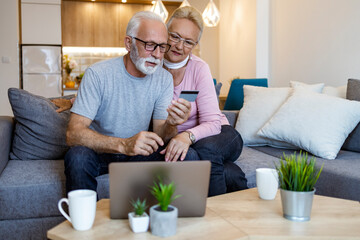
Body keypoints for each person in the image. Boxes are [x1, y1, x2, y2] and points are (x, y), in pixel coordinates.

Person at [63, 11, 193, 193]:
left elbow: (161, 135)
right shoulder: (98, 74)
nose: (157, 55)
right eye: (149, 45)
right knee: (77, 157)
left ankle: (157, 217)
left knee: (187, 156)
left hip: (138, 156)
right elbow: (73, 134)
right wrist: (124, 144)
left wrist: (171, 124)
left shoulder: (164, 79)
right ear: (128, 43)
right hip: (100, 153)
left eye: (162, 47)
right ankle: (86, 220)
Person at [160, 6, 248, 196]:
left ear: (195, 44)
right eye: (174, 36)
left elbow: (213, 122)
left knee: (205, 148)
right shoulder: (153, 67)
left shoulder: (199, 68)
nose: (179, 46)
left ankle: (212, 215)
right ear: (164, 33)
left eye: (188, 42)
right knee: (230, 174)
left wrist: (186, 136)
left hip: (219, 133)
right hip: (183, 140)